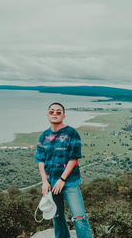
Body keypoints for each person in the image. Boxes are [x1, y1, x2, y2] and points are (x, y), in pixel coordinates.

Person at [35, 102, 93, 238]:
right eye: (52, 111)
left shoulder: (71, 133)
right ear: (47, 115)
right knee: (57, 216)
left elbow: (74, 159)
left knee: (79, 217)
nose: (55, 114)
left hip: (70, 182)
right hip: (51, 183)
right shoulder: (43, 136)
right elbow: (41, 160)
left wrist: (62, 179)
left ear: (64, 115)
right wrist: (44, 182)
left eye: (58, 112)